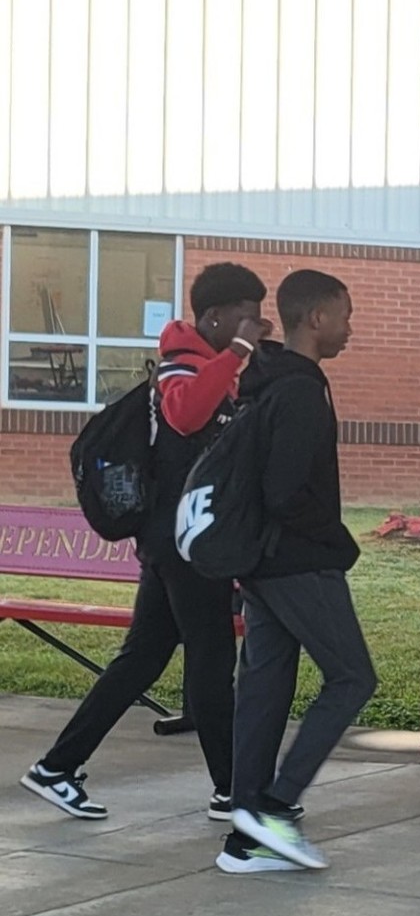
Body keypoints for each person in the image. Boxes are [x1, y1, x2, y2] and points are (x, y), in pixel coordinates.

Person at [21, 263, 272, 820]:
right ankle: (232, 791)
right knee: (210, 658)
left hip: (179, 538)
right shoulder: (183, 363)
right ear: (213, 318)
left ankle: (56, 767)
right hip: (182, 541)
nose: (256, 324)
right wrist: (236, 352)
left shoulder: (219, 363)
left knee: (143, 658)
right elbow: (185, 416)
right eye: (245, 316)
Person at [217, 269, 377, 874]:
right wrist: (337, 544)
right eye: (345, 315)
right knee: (352, 678)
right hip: (296, 563)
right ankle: (275, 808)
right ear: (316, 319)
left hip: (260, 563)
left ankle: (244, 839)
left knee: (264, 686)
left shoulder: (267, 381)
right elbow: (285, 493)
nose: (349, 327)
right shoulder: (301, 389)